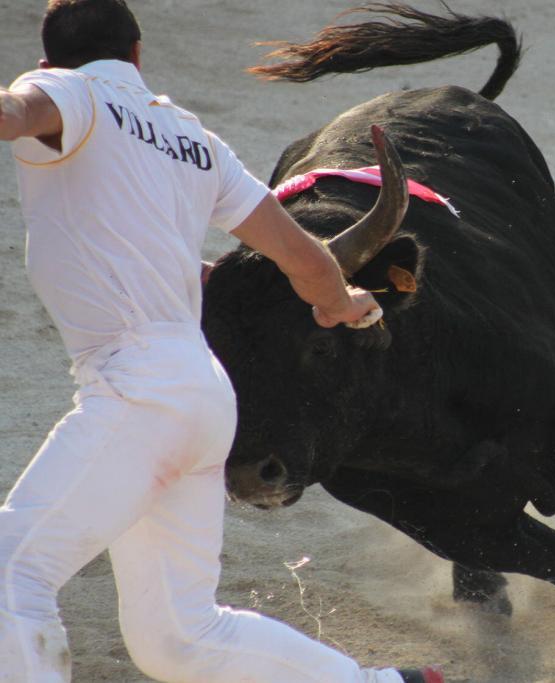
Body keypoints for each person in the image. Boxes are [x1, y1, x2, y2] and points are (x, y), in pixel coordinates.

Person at [0, 2, 444, 682]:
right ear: (138, 55)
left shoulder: (66, 91)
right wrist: (344, 302)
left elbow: (14, 115)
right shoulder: (193, 139)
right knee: (178, 636)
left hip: (137, 391)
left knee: (12, 575)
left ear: (46, 60)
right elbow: (303, 259)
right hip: (205, 398)